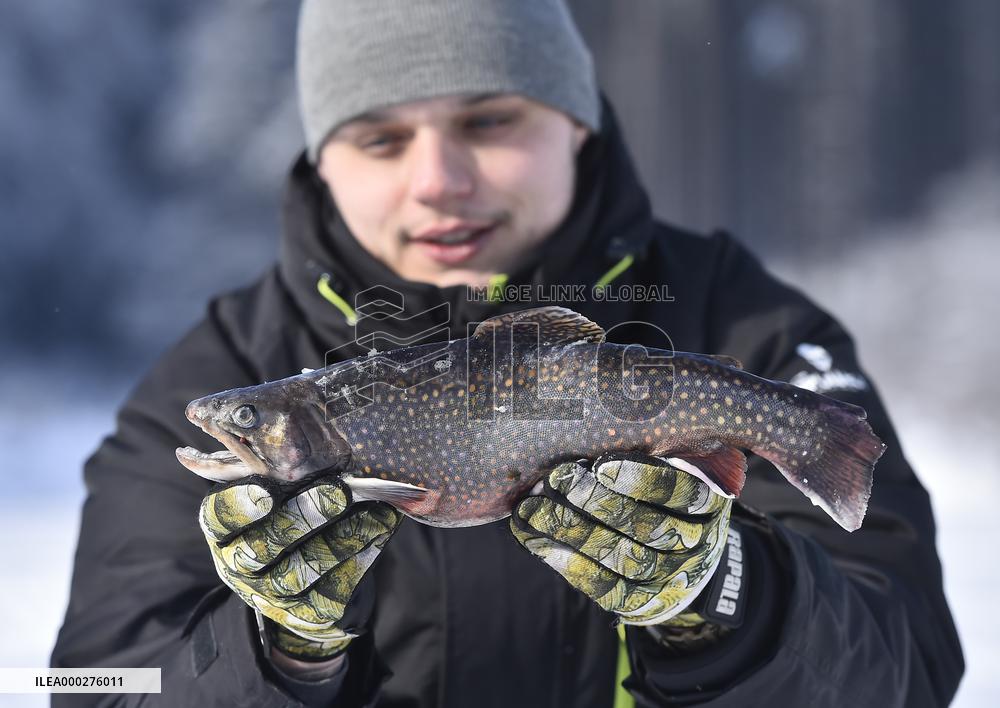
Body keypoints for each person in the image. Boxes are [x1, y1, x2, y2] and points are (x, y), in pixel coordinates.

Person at [51, 1, 964, 706]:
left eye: (489, 121)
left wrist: (724, 599)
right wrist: (282, 648)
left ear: (579, 125)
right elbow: (98, 687)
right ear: (322, 160)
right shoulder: (205, 367)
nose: (440, 179)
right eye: (381, 138)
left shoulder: (748, 325)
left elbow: (909, 669)